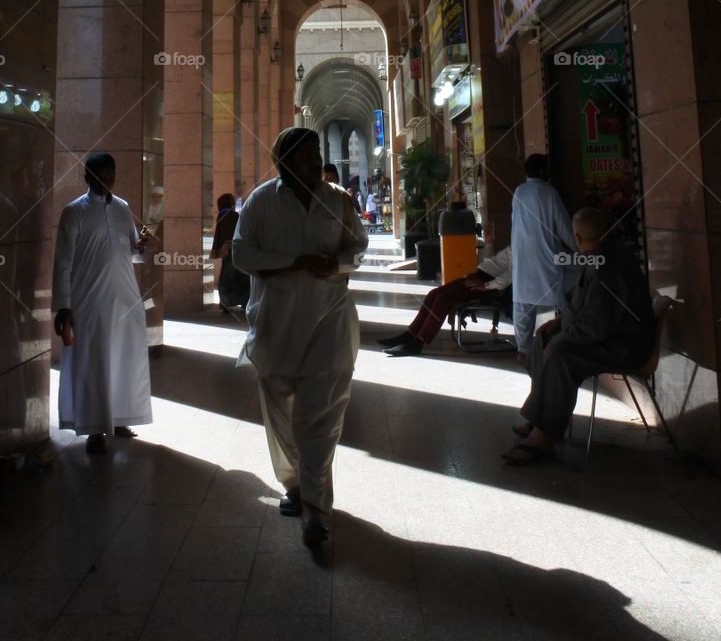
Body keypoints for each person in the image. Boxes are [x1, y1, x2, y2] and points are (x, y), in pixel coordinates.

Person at [231, 127, 369, 549]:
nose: (315, 161)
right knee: (282, 415)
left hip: (330, 321)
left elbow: (358, 249)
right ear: (283, 160)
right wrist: (294, 262)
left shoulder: (338, 201)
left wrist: (338, 265)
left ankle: (316, 510)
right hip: (276, 324)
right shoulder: (259, 202)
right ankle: (294, 485)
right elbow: (242, 254)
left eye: (317, 154)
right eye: (305, 155)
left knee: (320, 418)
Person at [502, 207, 656, 464]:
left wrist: (563, 337)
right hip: (607, 337)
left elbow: (595, 326)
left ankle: (543, 439)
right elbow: (586, 309)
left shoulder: (608, 266)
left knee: (561, 355)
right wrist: (560, 324)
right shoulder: (600, 256)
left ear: (578, 238)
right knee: (544, 341)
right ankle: (541, 420)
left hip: (624, 346)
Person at [52, 151, 152, 455]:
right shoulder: (74, 213)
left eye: (110, 175)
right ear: (86, 178)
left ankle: (119, 419)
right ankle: (94, 428)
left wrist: (141, 247)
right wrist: (64, 307)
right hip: (89, 302)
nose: (106, 181)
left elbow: (132, 254)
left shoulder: (123, 208)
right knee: (93, 363)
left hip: (125, 299)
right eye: (99, 176)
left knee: (123, 359)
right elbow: (63, 263)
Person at [378, 246, 512, 356]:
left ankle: (418, 342)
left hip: (488, 282)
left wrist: (487, 286)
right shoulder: (518, 240)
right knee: (433, 294)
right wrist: (489, 243)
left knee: (443, 300)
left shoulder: (525, 246)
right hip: (479, 275)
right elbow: (495, 263)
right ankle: (410, 334)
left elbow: (511, 274)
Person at [511, 154, 580, 361]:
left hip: (522, 258)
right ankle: (572, 334)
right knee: (575, 275)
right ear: (542, 171)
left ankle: (523, 350)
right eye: (547, 168)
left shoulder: (518, 192)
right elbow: (564, 228)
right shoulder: (549, 194)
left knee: (523, 303)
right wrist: (581, 250)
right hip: (547, 258)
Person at [209, 192, 250, 310]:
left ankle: (226, 302)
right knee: (240, 276)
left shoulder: (221, 215)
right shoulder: (233, 215)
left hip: (226, 252)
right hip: (235, 250)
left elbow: (220, 235)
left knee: (227, 277)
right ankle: (242, 300)